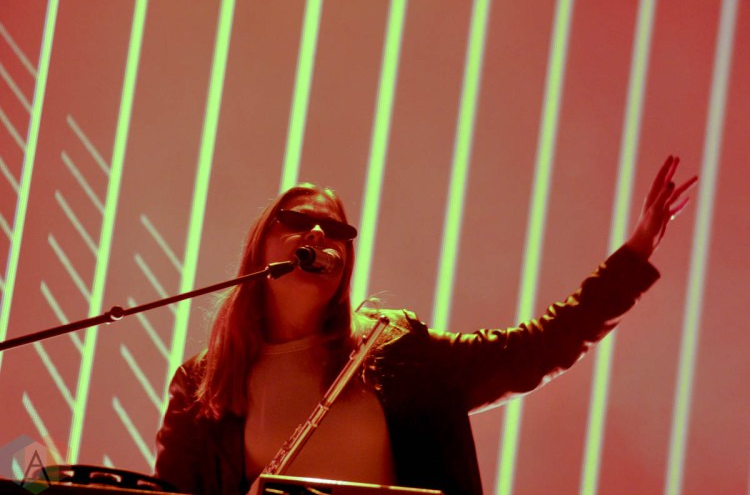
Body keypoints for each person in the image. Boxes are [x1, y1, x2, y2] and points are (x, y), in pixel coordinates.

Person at [154, 156, 697, 495]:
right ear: (260, 249)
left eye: (336, 230)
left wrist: (636, 251)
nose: (319, 234)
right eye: (297, 221)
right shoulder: (203, 384)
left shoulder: (396, 350)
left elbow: (538, 348)